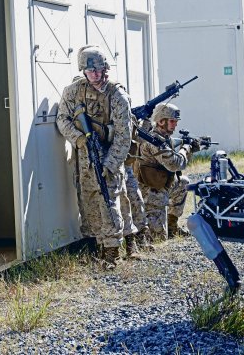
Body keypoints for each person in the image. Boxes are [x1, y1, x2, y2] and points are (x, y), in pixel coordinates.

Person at [56, 45, 136, 268]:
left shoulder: (117, 95)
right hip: (84, 157)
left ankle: (112, 252)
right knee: (88, 199)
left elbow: (123, 135)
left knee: (109, 200)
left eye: (99, 70)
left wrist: (110, 164)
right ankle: (95, 246)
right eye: (91, 72)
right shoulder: (73, 91)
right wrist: (79, 139)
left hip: (110, 155)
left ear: (105, 69)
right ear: (83, 71)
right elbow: (62, 119)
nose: (96, 75)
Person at [134, 103, 200, 241]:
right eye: (172, 121)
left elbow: (179, 164)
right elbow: (175, 164)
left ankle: (172, 226)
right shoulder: (153, 140)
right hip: (150, 194)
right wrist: (186, 148)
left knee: (183, 183)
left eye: (176, 121)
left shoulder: (164, 138)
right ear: (160, 121)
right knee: (158, 239)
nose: (175, 125)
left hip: (161, 187)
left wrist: (190, 148)